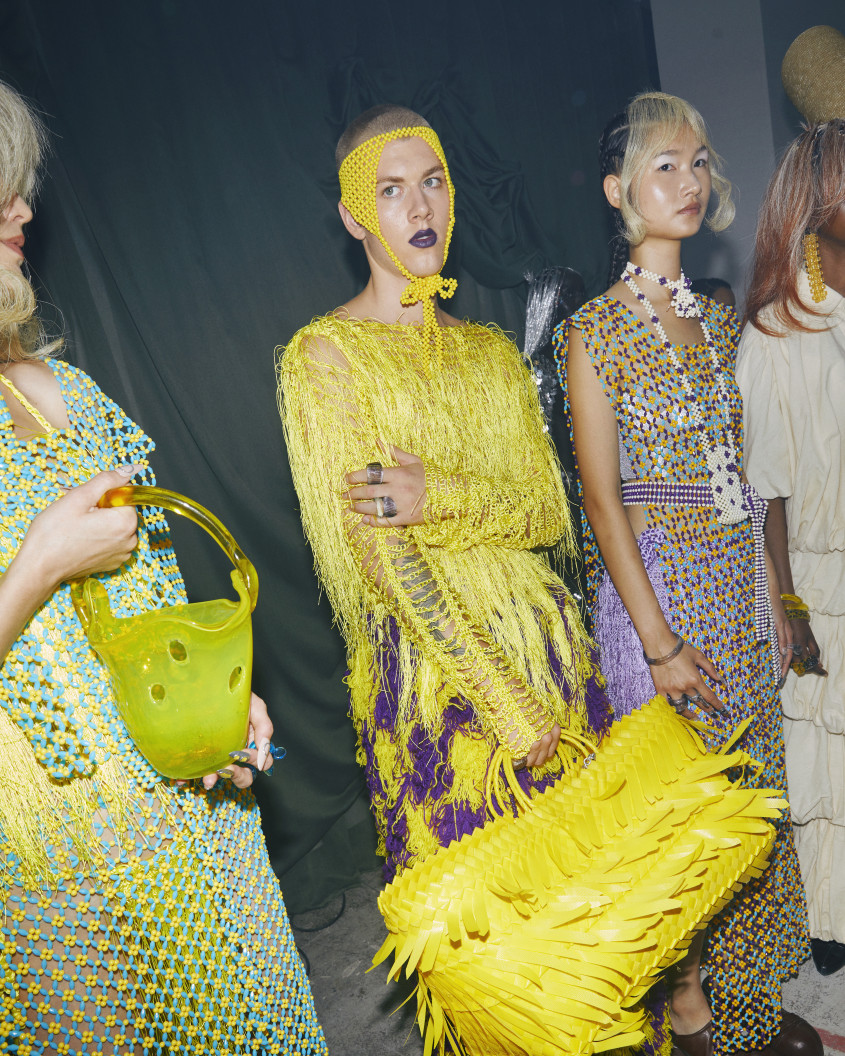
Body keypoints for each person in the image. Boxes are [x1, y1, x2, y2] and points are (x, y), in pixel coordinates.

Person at [0, 82, 326, 1054]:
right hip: (40, 847)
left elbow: (152, 604)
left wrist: (207, 709)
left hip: (170, 802)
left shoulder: (59, 385)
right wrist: (43, 562)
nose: (22, 209)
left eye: (19, 184)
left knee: (253, 1025)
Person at [279, 104, 609, 889]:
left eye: (432, 182)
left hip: (549, 652)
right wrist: (501, 697)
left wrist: (441, 496)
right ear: (354, 216)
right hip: (440, 687)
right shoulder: (325, 357)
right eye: (391, 190)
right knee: (490, 918)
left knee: (597, 898)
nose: (420, 206)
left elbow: (546, 513)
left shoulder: (490, 352)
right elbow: (379, 556)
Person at [557, 91, 818, 1056]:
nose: (688, 180)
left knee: (752, 802)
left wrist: (777, 596)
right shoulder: (593, 331)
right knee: (685, 818)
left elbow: (750, 474)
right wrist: (659, 644)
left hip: (737, 586)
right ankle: (691, 1014)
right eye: (663, 164)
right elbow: (600, 503)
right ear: (616, 191)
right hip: (662, 597)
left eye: (698, 161)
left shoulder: (714, 317)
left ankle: (752, 1004)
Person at [738, 117, 845, 978]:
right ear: (820, 200)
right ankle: (831, 923)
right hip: (818, 577)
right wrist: (789, 608)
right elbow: (762, 495)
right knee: (825, 760)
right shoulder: (774, 333)